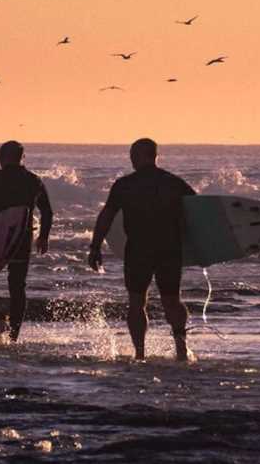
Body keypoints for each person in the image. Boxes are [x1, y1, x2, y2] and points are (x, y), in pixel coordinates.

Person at [87, 138, 196, 361]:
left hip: (139, 248)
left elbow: (106, 216)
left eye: (132, 155)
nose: (131, 159)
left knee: (137, 302)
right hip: (169, 249)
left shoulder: (125, 185)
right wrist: (198, 247)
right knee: (172, 299)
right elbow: (197, 213)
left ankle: (139, 353)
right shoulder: (174, 183)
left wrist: (95, 246)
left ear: (139, 156)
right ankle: (181, 347)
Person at [0, 141, 53, 342]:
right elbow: (47, 211)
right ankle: (14, 335)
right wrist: (43, 237)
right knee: (17, 287)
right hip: (21, 240)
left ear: (1, 157)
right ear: (22, 158)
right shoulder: (34, 180)